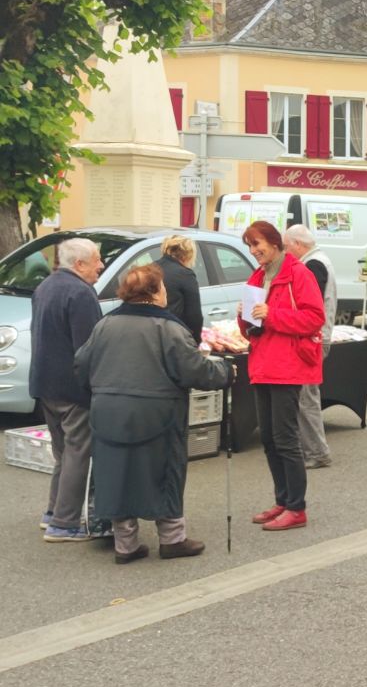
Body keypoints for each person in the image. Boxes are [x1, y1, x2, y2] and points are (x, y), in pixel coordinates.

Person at [74, 264, 232, 563]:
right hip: (157, 412)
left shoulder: (105, 325)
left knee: (116, 472)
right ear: (157, 292)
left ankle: (126, 545)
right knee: (165, 472)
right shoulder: (169, 328)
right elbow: (194, 370)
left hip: (108, 410)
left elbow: (81, 365)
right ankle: (172, 539)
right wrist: (224, 371)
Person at [237, 220, 325, 531]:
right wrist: (244, 314)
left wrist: (271, 315)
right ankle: (282, 499)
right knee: (270, 438)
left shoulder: (299, 274)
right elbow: (252, 326)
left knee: (286, 439)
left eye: (258, 244)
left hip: (287, 366)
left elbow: (315, 318)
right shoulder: (258, 275)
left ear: (275, 243)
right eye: (250, 245)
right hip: (263, 363)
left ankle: (296, 508)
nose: (254, 250)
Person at [30, 237, 106, 542]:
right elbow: (88, 349)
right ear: (80, 264)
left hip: (45, 383)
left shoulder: (46, 286)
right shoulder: (81, 293)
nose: (101, 265)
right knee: (78, 452)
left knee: (63, 451)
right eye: (97, 260)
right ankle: (65, 522)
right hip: (73, 387)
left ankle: (53, 512)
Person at [283, 224, 336, 470]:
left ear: (297, 244)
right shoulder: (319, 260)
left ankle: (317, 452)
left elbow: (306, 305)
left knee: (306, 397)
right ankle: (310, 448)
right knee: (305, 396)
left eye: (286, 246)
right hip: (317, 336)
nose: (285, 252)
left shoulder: (312, 265)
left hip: (313, 338)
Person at [156, 235, 203, 343]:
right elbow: (194, 315)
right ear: (188, 254)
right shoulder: (185, 274)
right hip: (174, 337)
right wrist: (196, 341)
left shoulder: (150, 268)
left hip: (150, 334)